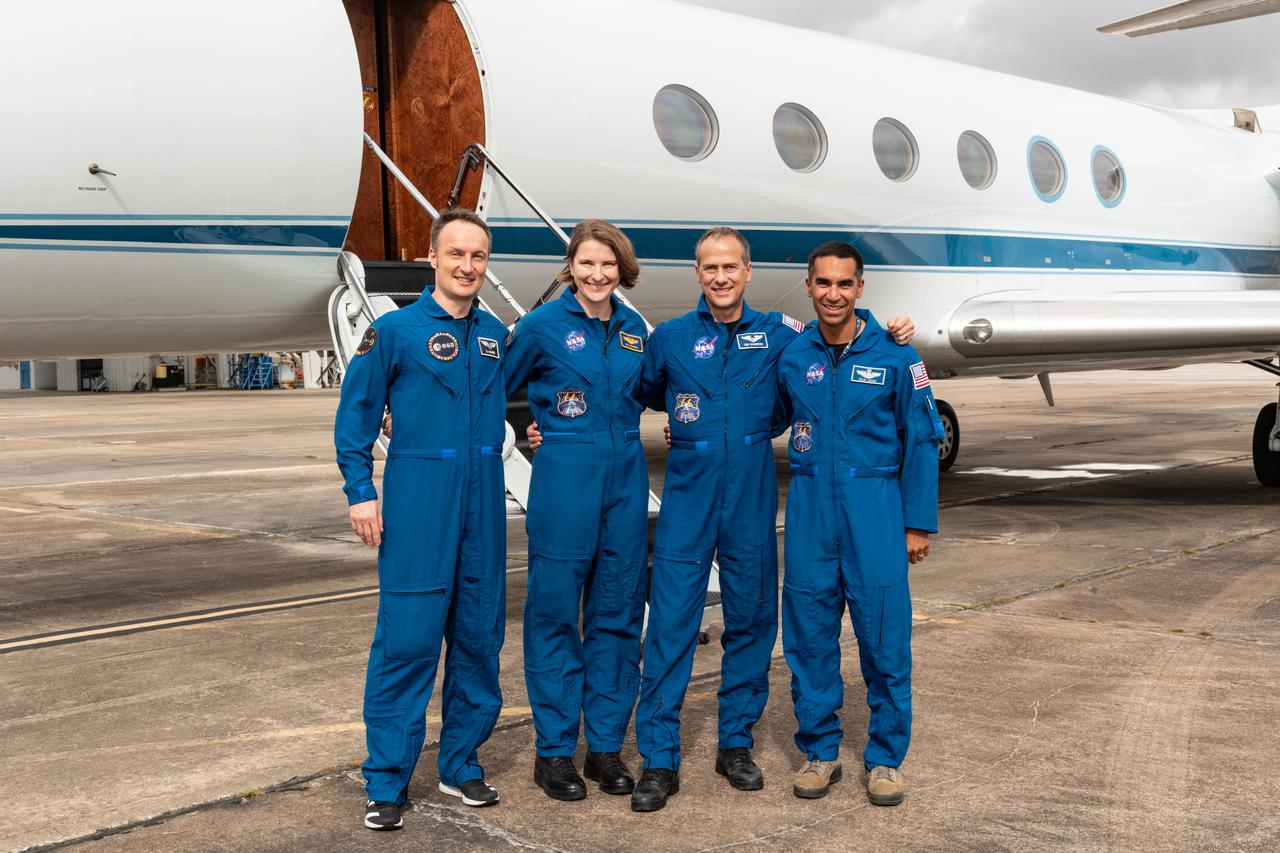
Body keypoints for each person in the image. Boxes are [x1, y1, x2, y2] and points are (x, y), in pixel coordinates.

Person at [627, 227, 916, 812]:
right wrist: (548, 424)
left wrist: (891, 330)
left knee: (753, 626)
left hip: (753, 500)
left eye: (731, 266)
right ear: (698, 273)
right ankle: (659, 758)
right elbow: (640, 394)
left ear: (749, 271)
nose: (721, 277)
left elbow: (836, 346)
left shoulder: (781, 338)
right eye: (710, 267)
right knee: (670, 627)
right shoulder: (670, 339)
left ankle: (735, 743)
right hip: (687, 500)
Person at [334, 209, 508, 832]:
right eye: (456, 254)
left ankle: (461, 763)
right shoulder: (396, 333)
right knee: (406, 643)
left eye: (478, 256)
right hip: (418, 502)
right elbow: (356, 415)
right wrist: (360, 491)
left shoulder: (495, 337)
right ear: (432, 259)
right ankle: (386, 781)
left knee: (478, 641)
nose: (467, 266)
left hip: (483, 504)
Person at [775, 241, 942, 807]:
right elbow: (761, 412)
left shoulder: (898, 357)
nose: (833, 294)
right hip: (809, 512)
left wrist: (916, 524)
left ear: (860, 288)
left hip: (874, 509)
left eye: (844, 284)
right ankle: (821, 751)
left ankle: (886, 759)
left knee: (884, 641)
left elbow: (922, 439)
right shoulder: (794, 355)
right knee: (809, 640)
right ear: (808, 286)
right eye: (823, 283)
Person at [503, 220, 650, 801]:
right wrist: (527, 430)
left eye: (608, 265)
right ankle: (555, 752)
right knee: (556, 615)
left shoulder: (635, 330)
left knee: (616, 614)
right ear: (571, 267)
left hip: (625, 482)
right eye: (587, 264)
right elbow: (497, 387)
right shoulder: (540, 327)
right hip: (565, 481)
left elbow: (662, 388)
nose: (597, 274)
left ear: (622, 269)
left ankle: (606, 748)